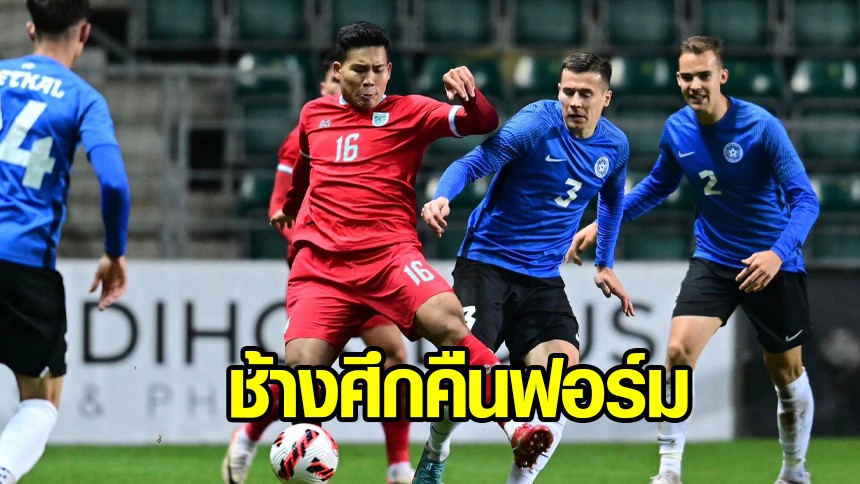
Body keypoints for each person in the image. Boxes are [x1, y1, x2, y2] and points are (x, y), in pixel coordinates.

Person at [270, 21, 552, 484]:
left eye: (379, 70)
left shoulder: (409, 111)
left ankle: (517, 426)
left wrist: (469, 96)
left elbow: (482, 123)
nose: (370, 80)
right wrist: (290, 205)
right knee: (301, 369)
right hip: (322, 268)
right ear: (338, 70)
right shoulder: (313, 115)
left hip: (389, 258)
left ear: (389, 70)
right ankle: (310, 455)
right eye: (359, 70)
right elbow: (305, 167)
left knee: (448, 321)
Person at [571, 36, 819, 484]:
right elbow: (657, 186)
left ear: (722, 76)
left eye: (704, 75)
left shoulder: (761, 127)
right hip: (714, 259)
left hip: (773, 264)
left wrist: (777, 254)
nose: (695, 84)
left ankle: (794, 471)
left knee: (786, 372)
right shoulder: (677, 129)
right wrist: (604, 222)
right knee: (677, 352)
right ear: (678, 79)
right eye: (687, 77)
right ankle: (669, 471)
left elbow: (806, 200)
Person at [421, 52, 635, 484]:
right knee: (461, 376)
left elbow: (612, 200)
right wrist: (443, 196)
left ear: (606, 98)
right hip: (486, 263)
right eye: (567, 91)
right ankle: (436, 449)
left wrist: (605, 262)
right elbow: (473, 162)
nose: (574, 102)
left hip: (542, 277)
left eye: (586, 94)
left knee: (561, 381)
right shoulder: (536, 124)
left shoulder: (615, 146)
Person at [221, 57, 414, 484]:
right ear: (328, 85)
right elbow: (279, 209)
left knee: (394, 356)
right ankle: (250, 435)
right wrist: (318, 244)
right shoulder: (303, 137)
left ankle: (399, 467)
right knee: (311, 372)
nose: (337, 89)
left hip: (366, 266)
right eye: (331, 82)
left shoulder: (371, 131)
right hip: (322, 271)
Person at [0, 1, 131, 483]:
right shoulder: (82, 99)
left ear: (30, 28)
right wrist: (114, 253)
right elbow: (114, 183)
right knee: (42, 400)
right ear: (85, 33)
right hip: (22, 261)